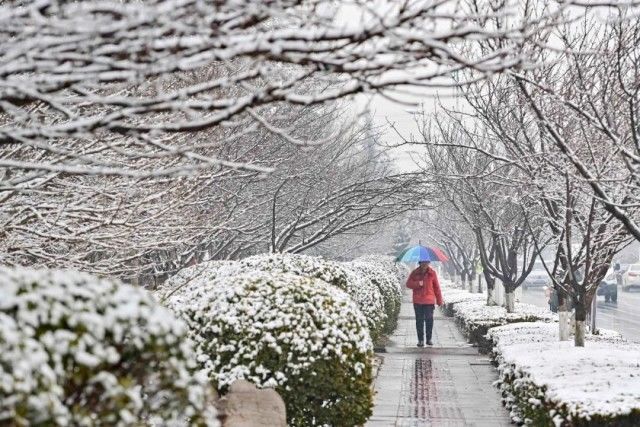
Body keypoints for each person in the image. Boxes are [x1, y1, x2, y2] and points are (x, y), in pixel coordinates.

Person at [406, 259, 444, 347]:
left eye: (427, 262)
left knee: (429, 319)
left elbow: (436, 287)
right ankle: (420, 340)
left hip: (429, 301)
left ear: (429, 263)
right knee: (419, 321)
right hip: (418, 301)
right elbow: (408, 284)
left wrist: (439, 300)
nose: (425, 264)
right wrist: (418, 283)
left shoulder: (432, 273)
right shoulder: (414, 273)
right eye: (423, 262)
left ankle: (429, 339)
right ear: (419, 263)